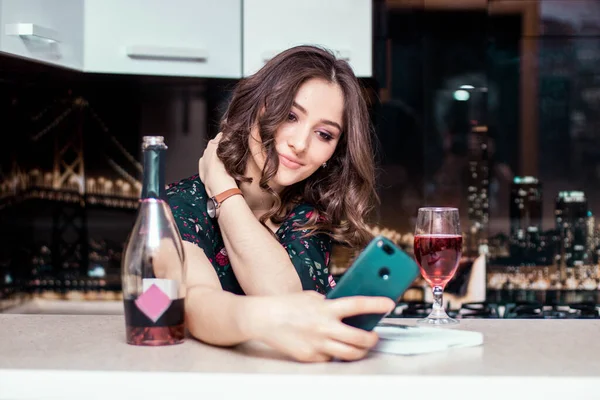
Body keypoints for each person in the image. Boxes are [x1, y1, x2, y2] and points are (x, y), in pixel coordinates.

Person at [165, 45, 394, 363]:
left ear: (335, 154)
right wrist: (266, 321)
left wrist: (223, 190)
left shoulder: (309, 214)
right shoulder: (179, 206)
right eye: (290, 116)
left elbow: (286, 300)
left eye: (324, 134)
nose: (300, 144)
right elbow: (198, 306)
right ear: (254, 108)